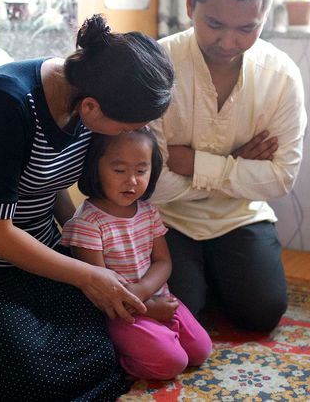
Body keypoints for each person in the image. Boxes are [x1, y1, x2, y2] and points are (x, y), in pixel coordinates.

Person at [0, 14, 174, 401]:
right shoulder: (4, 102)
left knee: (106, 334)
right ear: (91, 108)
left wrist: (90, 241)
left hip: (39, 246)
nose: (127, 136)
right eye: (124, 127)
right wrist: (86, 275)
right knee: (31, 381)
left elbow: (51, 186)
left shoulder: (84, 96)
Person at [149, 0, 307, 332]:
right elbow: (151, 186)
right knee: (183, 315)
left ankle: (214, 278)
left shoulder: (282, 76)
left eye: (247, 28)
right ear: (190, 6)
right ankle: (203, 282)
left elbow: (282, 178)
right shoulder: (156, 66)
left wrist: (197, 163)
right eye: (214, 24)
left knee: (263, 312)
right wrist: (237, 165)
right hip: (169, 218)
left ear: (265, 17)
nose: (228, 42)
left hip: (240, 215)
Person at [60, 129, 212, 380]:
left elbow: (163, 261)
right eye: (119, 170)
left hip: (153, 298)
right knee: (172, 363)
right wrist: (147, 308)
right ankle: (117, 359)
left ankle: (160, 339)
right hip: (120, 313)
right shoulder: (88, 223)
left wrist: (143, 291)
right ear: (94, 167)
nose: (131, 180)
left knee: (200, 351)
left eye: (141, 171)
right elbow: (99, 290)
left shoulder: (148, 212)